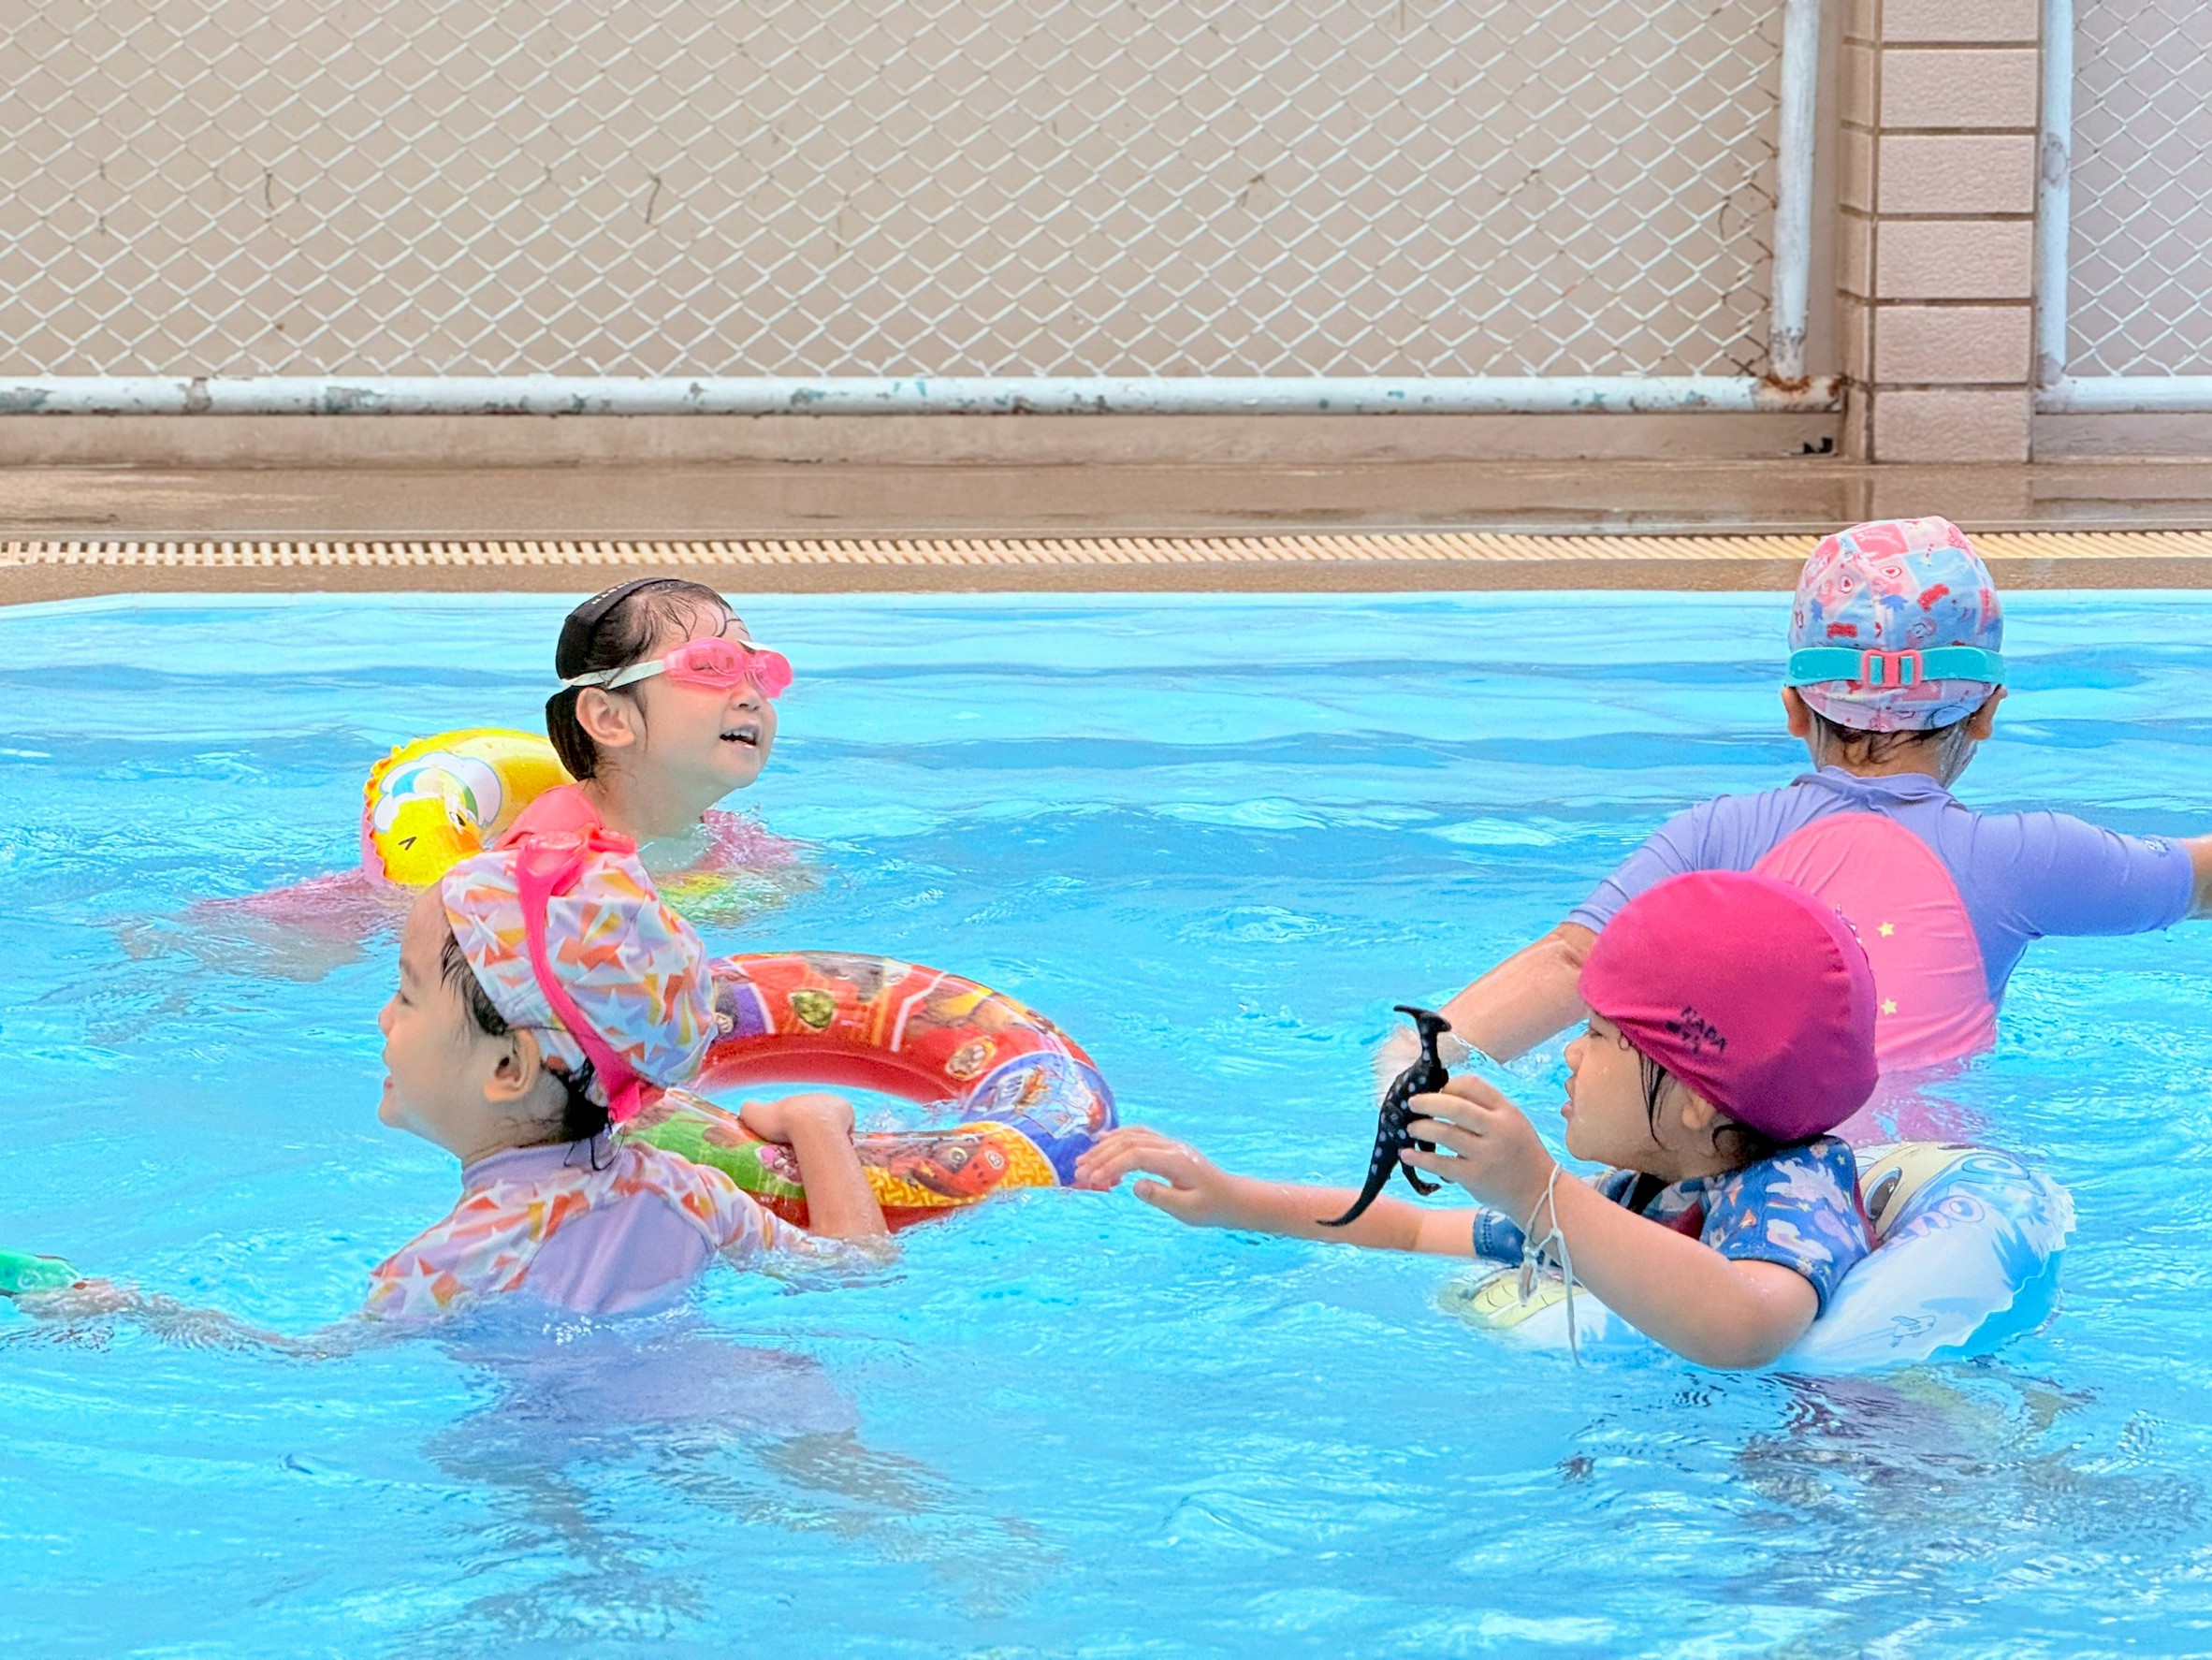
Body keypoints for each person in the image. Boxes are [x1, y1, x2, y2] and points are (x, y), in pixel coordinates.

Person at [1393, 517, 2212, 1085]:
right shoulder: (2030, 858)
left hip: (1738, 1155)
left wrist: (1414, 1064)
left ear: (1792, 708)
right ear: (1989, 712)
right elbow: (2200, 880)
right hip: (1917, 1179)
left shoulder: (1714, 837)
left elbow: (1573, 963)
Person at [11, 821, 886, 1337]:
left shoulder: (448, 1263)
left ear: (508, 1067)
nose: (383, 1019)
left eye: (405, 994)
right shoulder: (682, 1193)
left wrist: (130, 1308)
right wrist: (817, 1128)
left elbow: (311, 1362)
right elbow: (855, 1271)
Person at [1076, 871, 1880, 1370]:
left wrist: (1536, 1189)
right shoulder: (1647, 1189)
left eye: (1598, 1036)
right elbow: (1414, 1232)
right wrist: (1233, 1200)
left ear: (1699, 1097)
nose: (1568, 1056)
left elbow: (1744, 1328)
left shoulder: (1792, 1196)